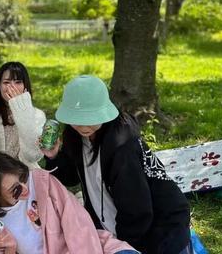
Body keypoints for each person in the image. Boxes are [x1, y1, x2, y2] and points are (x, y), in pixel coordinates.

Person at [43, 75, 192, 254]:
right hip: (113, 224)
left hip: (161, 228)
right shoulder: (75, 136)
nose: (83, 126)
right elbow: (72, 177)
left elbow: (137, 209)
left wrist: (125, 247)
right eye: (77, 119)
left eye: (90, 118)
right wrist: (53, 157)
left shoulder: (121, 147)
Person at [0, 151, 137, 254]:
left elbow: (78, 225)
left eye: (22, 177)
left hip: (81, 247)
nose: (25, 188)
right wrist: (9, 248)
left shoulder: (42, 183)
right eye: (15, 190)